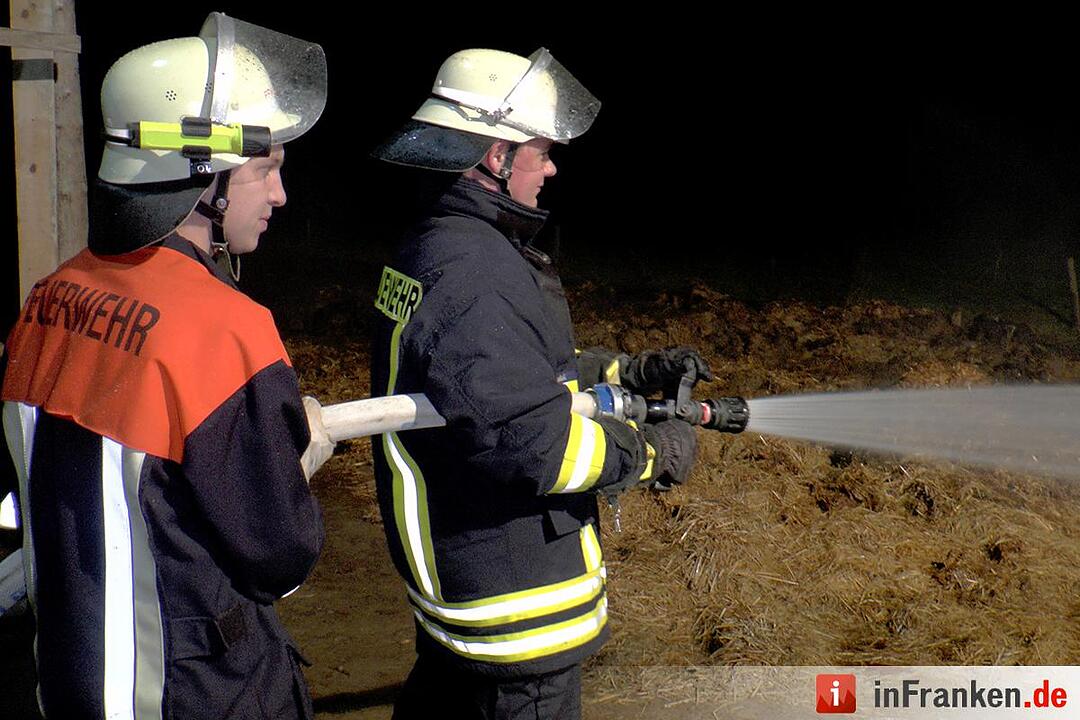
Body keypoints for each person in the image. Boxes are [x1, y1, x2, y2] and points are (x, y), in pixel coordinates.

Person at [0, 12, 333, 719]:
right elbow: (280, 553)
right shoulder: (227, 333)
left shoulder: (49, 299)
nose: (279, 195)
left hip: (67, 680)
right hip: (198, 691)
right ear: (200, 171)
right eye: (265, 169)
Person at [370, 48, 710, 719]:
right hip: (516, 620)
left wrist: (630, 371)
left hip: (470, 590)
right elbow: (538, 444)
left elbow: (514, 376)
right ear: (497, 155)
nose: (551, 168)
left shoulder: (438, 246)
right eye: (542, 151)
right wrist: (647, 455)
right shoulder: (474, 273)